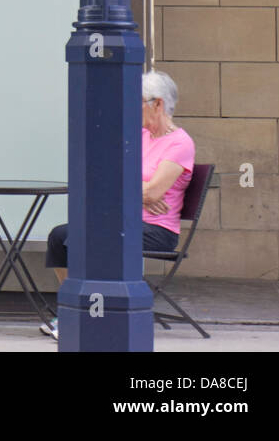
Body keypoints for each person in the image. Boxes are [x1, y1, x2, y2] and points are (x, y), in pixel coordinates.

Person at [40, 69, 195, 339]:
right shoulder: (140, 136)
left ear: (157, 104)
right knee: (60, 236)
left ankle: (87, 316)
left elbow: (153, 193)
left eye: (138, 102)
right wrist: (138, 191)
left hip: (157, 231)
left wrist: (138, 191)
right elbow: (107, 175)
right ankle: (73, 311)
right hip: (125, 220)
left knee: (85, 239)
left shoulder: (180, 144)